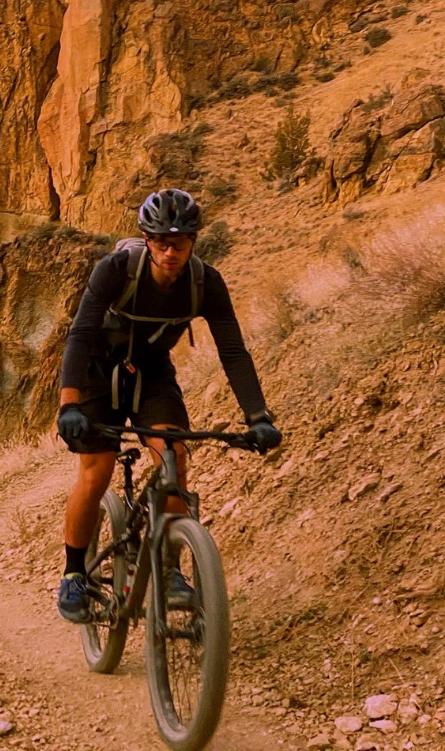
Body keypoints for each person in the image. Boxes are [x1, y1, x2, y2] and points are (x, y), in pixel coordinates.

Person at [55, 188, 282, 624]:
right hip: (99, 374)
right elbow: (80, 336)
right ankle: (72, 573)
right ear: (146, 238)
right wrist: (70, 404)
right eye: (160, 241)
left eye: (179, 242)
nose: (169, 251)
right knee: (97, 470)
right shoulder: (116, 270)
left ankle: (167, 566)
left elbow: (233, 352)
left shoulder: (206, 283)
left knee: (174, 456)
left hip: (153, 372)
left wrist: (258, 417)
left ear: (194, 241)